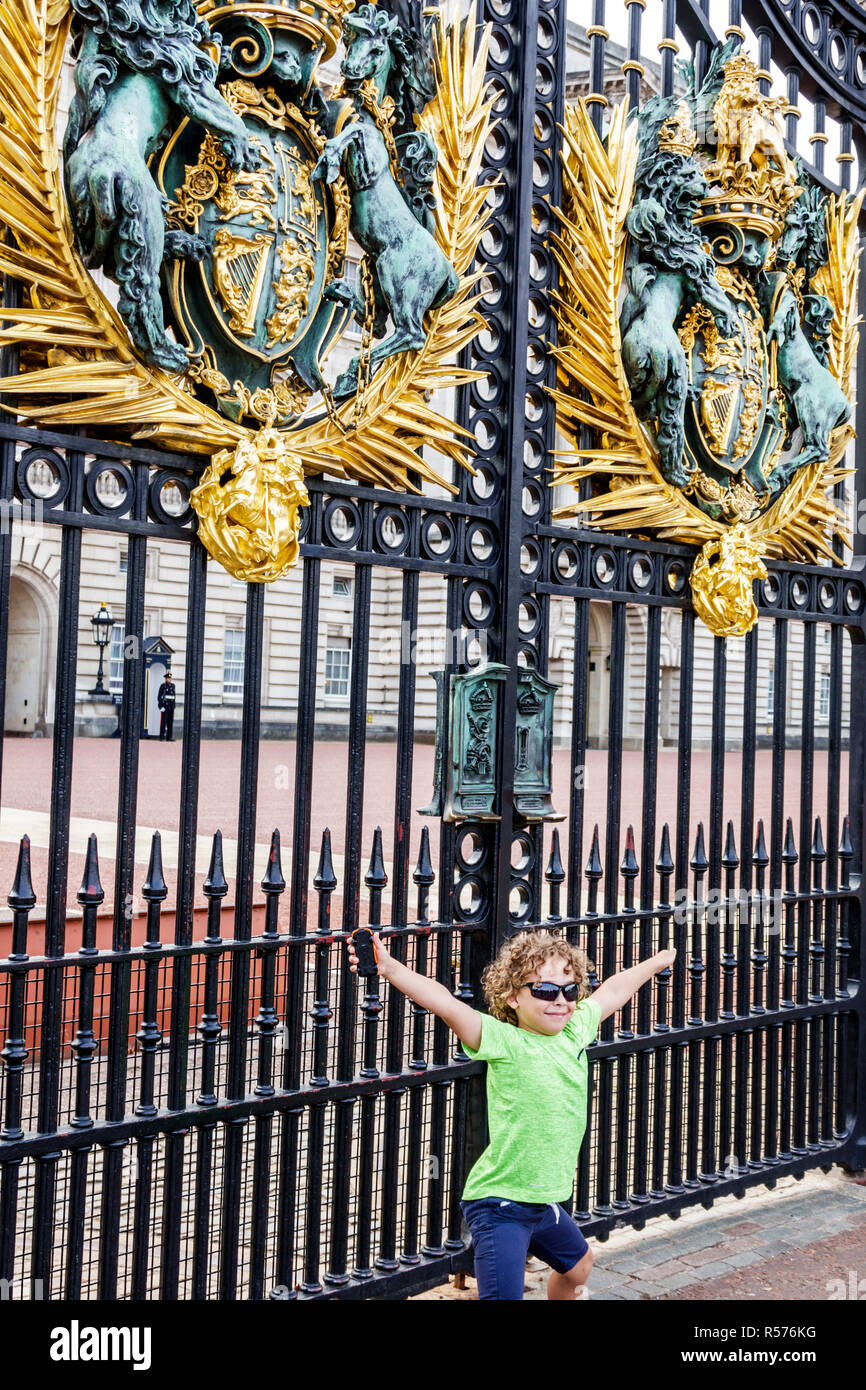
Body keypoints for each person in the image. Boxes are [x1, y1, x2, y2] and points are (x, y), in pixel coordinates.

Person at [347, 926, 675, 1301]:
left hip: (541, 1202)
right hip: (500, 1204)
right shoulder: (503, 1040)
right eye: (545, 990)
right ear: (512, 997)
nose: (560, 1001)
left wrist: (659, 961)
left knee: (579, 1265)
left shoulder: (574, 1031)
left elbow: (614, 989)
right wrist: (389, 967)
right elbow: (446, 1004)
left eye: (569, 990)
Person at [157, 669, 176, 741]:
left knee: (170, 723)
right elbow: (159, 696)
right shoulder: (163, 686)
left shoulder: (173, 686)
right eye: (168, 678)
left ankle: (169, 737)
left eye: (170, 678)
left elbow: (173, 696)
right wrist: (160, 706)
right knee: (163, 722)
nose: (169, 679)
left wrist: (174, 705)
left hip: (171, 706)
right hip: (165, 706)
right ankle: (162, 737)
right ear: (166, 678)